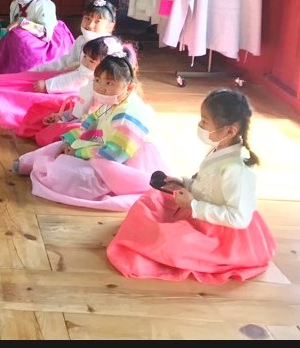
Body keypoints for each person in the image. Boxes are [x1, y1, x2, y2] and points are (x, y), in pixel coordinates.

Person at [106, 89, 277, 284]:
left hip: (223, 236)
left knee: (170, 240)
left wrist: (194, 206)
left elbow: (238, 218)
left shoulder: (237, 170)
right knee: (150, 200)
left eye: (204, 121)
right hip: (200, 212)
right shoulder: (220, 149)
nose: (200, 126)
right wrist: (184, 183)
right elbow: (209, 185)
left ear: (230, 131)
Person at [13, 47, 170, 212]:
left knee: (68, 174)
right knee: (60, 144)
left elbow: (115, 154)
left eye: (109, 83)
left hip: (122, 164)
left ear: (128, 88)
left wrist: (79, 152)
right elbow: (91, 125)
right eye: (98, 80)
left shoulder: (129, 115)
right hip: (102, 148)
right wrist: (72, 142)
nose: (101, 88)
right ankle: (29, 163)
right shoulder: (112, 102)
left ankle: (44, 167)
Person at [0, 0, 117, 131]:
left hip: (83, 92)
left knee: (26, 95)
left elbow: (81, 78)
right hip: (67, 79)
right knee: (23, 81)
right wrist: (38, 71)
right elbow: (66, 61)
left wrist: (48, 85)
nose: (90, 24)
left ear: (111, 26)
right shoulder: (82, 40)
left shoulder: (105, 48)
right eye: (87, 18)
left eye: (97, 21)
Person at [16, 35, 125, 146]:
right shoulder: (89, 79)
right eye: (85, 57)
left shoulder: (108, 95)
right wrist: (62, 116)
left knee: (53, 135)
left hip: (92, 129)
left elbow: (94, 120)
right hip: (79, 119)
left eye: (91, 61)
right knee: (39, 116)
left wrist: (67, 122)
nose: (85, 63)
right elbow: (80, 108)